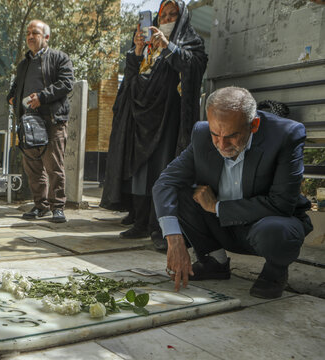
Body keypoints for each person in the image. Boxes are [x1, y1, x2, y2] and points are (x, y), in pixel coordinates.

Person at [153, 86, 313, 299]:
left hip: (263, 227)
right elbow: (165, 183)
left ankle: (275, 272)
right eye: (215, 135)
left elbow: (282, 204)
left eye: (231, 136)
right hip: (222, 226)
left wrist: (217, 207)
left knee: (277, 231)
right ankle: (214, 262)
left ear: (253, 125)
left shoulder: (286, 135)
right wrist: (173, 238)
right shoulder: (201, 134)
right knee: (182, 194)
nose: (221, 144)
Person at [100, 0, 207, 249]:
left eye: (173, 15)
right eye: (163, 15)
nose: (167, 19)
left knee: (161, 170)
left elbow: (193, 66)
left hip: (168, 119)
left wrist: (168, 46)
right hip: (140, 117)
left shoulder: (190, 41)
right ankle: (140, 221)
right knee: (140, 171)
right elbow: (132, 76)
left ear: (181, 18)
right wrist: (138, 51)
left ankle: (160, 227)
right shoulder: (148, 45)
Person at [7, 19, 74, 223]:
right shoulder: (23, 65)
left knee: (54, 166)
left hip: (52, 120)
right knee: (33, 167)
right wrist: (10, 97)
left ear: (46, 37)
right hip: (29, 123)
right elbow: (16, 87)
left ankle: (58, 207)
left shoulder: (60, 58)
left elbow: (66, 83)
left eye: (34, 32)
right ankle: (40, 205)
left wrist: (42, 97)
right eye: (28, 32)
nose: (29, 36)